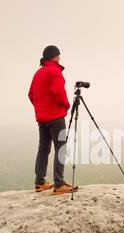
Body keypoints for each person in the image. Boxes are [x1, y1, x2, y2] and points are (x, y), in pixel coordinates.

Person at [28, 45, 78, 195]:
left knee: (43, 148)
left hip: (42, 118)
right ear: (54, 57)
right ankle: (59, 183)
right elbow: (58, 92)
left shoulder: (38, 73)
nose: (60, 57)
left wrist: (40, 108)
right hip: (55, 117)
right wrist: (66, 105)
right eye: (59, 55)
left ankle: (40, 181)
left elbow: (31, 94)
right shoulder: (55, 71)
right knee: (60, 148)